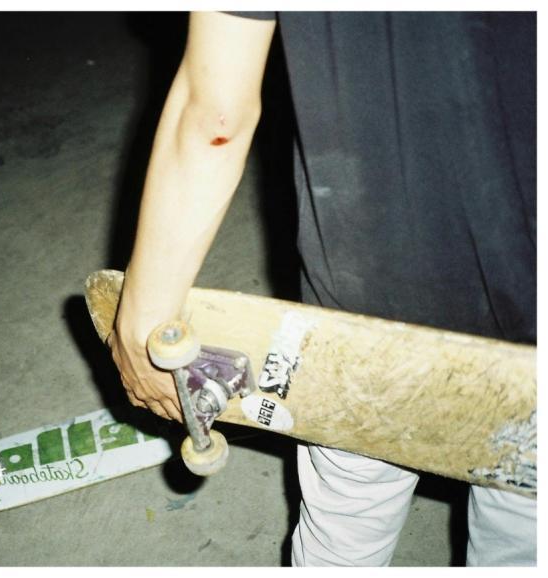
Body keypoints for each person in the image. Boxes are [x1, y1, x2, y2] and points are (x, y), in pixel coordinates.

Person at [108, 12, 536, 566]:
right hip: (531, 336)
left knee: (345, 526)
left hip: (357, 318)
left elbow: (215, 115)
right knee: (521, 542)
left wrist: (142, 326)